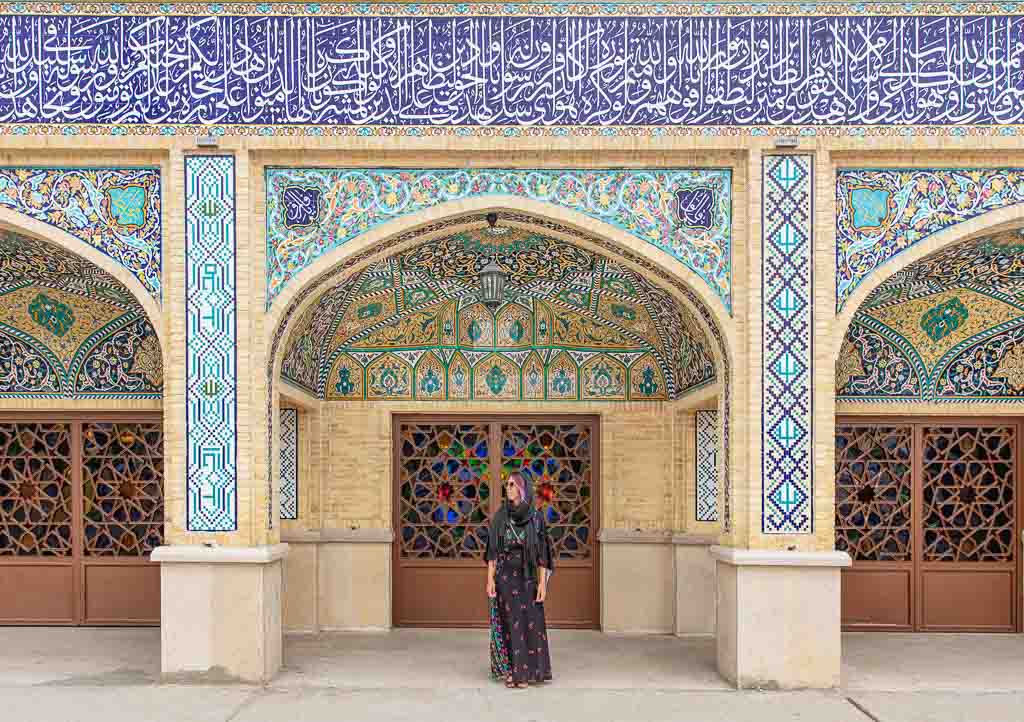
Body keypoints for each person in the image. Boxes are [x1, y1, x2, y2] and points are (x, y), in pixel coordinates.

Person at [485, 471, 554, 688]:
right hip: (506, 577)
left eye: (513, 485)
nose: (508, 488)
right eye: (507, 484)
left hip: (528, 579)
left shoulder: (536, 518)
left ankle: (529, 671)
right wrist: (490, 579)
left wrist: (543, 583)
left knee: (529, 623)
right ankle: (514, 673)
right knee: (511, 623)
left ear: (523, 489)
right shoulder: (501, 517)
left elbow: (542, 554)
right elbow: (493, 552)